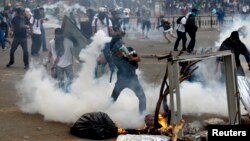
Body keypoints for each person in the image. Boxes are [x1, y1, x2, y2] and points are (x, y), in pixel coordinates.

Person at [109, 37, 146, 114]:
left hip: (133, 79)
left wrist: (131, 58)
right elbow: (119, 65)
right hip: (121, 80)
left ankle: (142, 116)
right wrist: (121, 56)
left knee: (142, 98)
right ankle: (103, 113)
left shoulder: (130, 49)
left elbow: (138, 59)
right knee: (112, 100)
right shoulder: (114, 56)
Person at [49, 28, 74, 93]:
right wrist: (55, 59)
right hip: (59, 65)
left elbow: (73, 45)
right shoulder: (52, 42)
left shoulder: (67, 41)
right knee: (61, 81)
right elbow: (53, 52)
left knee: (70, 80)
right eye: (58, 35)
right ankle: (63, 95)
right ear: (55, 34)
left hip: (67, 63)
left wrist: (71, 37)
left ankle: (67, 93)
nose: (59, 37)